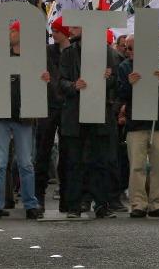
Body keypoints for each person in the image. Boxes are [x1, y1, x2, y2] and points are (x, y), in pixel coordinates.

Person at [0, 20, 47, 221]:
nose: (10, 33)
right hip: (1, 114)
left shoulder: (33, 58)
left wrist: (44, 80)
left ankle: (30, 204)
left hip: (24, 116)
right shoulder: (0, 58)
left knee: (26, 163)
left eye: (13, 30)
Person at [59, 24, 120, 219]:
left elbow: (116, 81)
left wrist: (108, 78)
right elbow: (60, 82)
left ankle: (102, 204)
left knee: (99, 161)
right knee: (75, 162)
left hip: (98, 114)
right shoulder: (69, 53)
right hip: (75, 115)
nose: (72, 30)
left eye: (77, 27)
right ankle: (74, 205)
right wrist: (73, 85)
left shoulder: (107, 53)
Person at [116, 36, 159, 218]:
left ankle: (157, 203)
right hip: (136, 123)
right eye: (127, 49)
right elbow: (121, 93)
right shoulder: (125, 67)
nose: (130, 52)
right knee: (136, 165)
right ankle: (138, 203)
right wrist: (129, 84)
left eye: (132, 48)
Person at [38, 17, 70, 210]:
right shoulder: (47, 52)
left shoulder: (74, 52)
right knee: (42, 151)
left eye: (56, 31)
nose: (53, 34)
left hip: (66, 107)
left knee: (67, 154)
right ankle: (38, 197)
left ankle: (67, 200)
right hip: (48, 106)